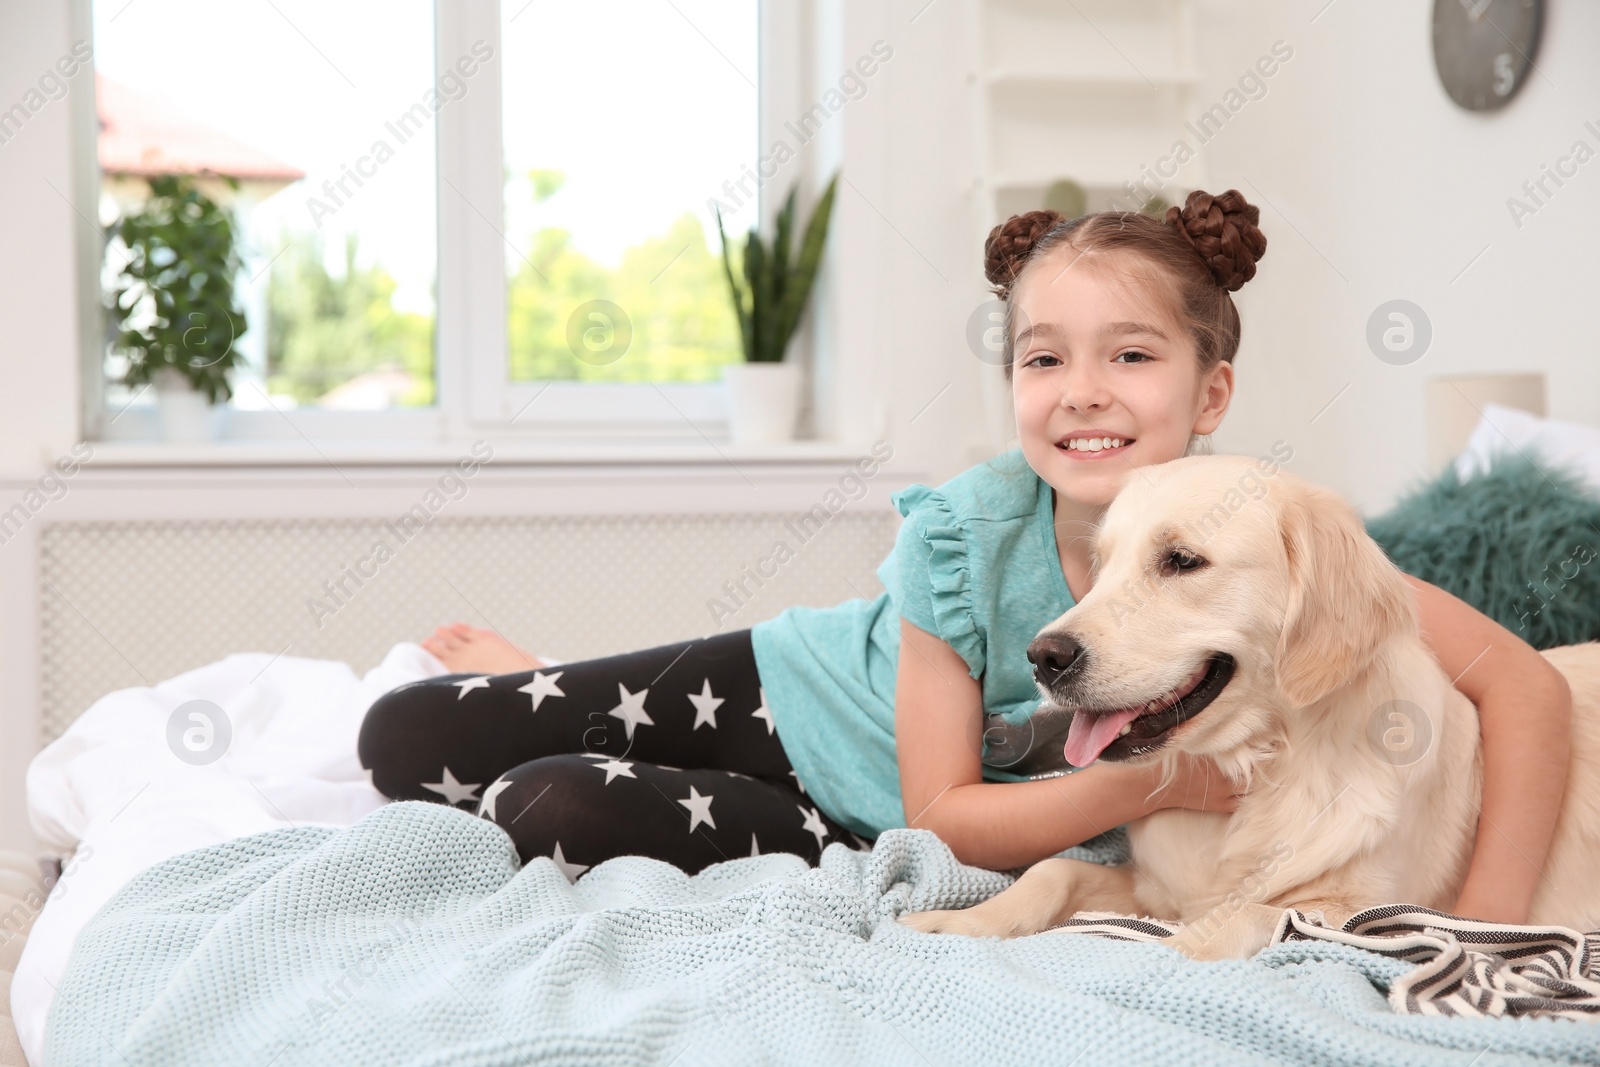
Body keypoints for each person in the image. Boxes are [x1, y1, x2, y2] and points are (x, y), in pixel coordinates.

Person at [358, 190, 1571, 924]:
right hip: (792, 698)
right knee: (402, 735)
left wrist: (1487, 920)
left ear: (1213, 390)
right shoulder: (968, 529)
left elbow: (1518, 681)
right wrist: (1153, 786)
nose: (1081, 392)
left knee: (544, 803)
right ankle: (559, 672)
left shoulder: (1254, 540)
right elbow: (945, 793)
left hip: (859, 829)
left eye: (1130, 356)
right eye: (1043, 358)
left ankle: (657, 772)